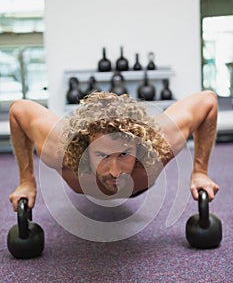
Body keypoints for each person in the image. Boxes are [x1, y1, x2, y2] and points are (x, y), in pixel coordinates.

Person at [9, 90, 219, 211]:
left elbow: (208, 100)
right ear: (82, 151)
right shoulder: (59, 152)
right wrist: (26, 182)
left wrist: (200, 172)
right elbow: (19, 109)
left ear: (140, 147)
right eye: (102, 155)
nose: (115, 171)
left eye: (124, 154)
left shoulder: (160, 148)